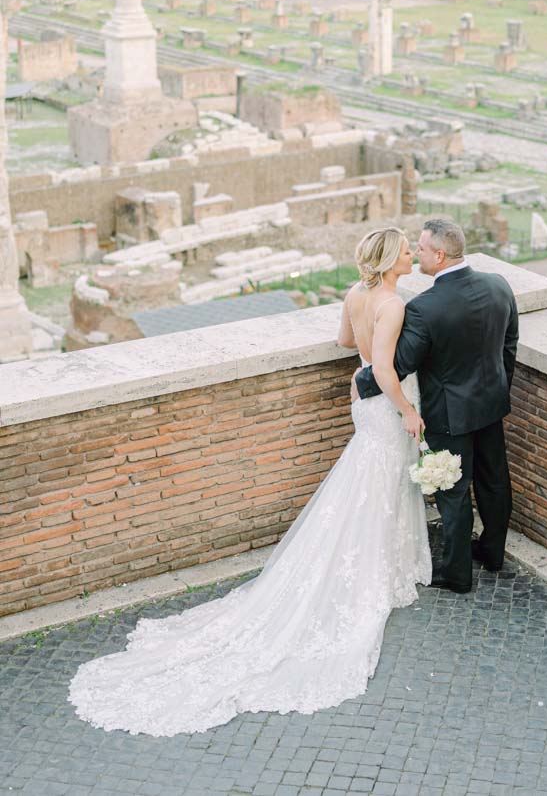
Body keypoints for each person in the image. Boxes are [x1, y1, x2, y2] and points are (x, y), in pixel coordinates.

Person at [68, 227, 431, 737]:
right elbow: (388, 372)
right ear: (391, 259)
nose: (413, 255)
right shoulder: (392, 305)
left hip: (362, 405)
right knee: (380, 486)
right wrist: (409, 411)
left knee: (367, 484)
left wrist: (365, 363)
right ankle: (381, 568)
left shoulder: (356, 294)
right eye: (408, 251)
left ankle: (378, 561)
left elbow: (345, 342)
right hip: (385, 404)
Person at [355, 219, 519, 595]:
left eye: (422, 248)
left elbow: (400, 363)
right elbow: (509, 344)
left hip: (449, 415)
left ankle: (457, 574)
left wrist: (362, 382)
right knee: (494, 482)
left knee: (453, 491)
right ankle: (493, 553)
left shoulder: (423, 308)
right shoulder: (499, 285)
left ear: (440, 255)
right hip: (491, 405)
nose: (418, 254)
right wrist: (499, 388)